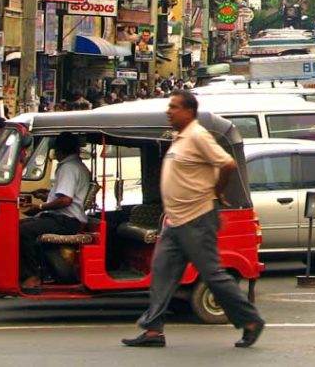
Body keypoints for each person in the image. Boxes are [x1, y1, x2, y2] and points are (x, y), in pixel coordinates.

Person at [124, 91, 264, 349]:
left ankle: (250, 321)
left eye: (174, 107)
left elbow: (227, 164)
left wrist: (217, 191)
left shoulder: (198, 135)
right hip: (176, 221)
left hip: (197, 218)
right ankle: (153, 331)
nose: (169, 111)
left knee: (212, 274)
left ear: (188, 111)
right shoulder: (180, 138)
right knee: (161, 271)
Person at [18, 132, 91, 289]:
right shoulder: (75, 166)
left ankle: (31, 275)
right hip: (65, 218)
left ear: (60, 149)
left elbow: (66, 200)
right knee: (21, 225)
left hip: (67, 221)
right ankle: (43, 270)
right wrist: (47, 194)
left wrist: (39, 207)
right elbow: (64, 195)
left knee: (23, 231)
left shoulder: (69, 168)